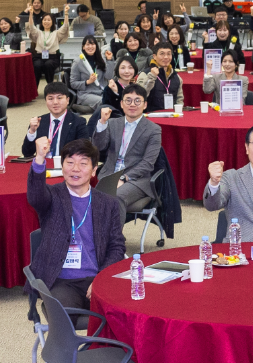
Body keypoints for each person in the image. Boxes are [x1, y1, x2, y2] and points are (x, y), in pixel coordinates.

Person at [27, 138, 125, 327]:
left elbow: (116, 246)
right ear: (62, 167)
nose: (75, 169)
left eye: (83, 164)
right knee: (64, 318)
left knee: (124, 314)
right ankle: (69, 355)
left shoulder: (108, 203)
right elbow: (35, 195)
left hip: (97, 278)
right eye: (70, 163)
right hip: (62, 280)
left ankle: (110, 354)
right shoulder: (52, 196)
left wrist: (101, 279)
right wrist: (40, 158)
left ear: (94, 170)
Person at [89, 85, 163, 211]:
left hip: (137, 180)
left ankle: (113, 231)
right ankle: (96, 231)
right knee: (87, 198)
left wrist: (123, 178)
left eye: (137, 101)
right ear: (122, 104)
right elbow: (98, 147)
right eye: (128, 100)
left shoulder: (153, 130)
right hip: (109, 175)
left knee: (116, 198)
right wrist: (102, 122)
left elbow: (148, 163)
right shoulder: (112, 123)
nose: (132, 104)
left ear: (145, 105)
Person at [24, 84, 92, 162]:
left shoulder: (78, 122)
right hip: (43, 164)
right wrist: (32, 131)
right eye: (50, 98)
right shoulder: (39, 121)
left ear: (67, 100)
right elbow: (27, 153)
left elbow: (84, 151)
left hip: (66, 166)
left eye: (59, 98)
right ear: (46, 101)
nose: (55, 102)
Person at [69, 35, 109, 112]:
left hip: (101, 91)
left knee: (116, 99)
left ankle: (90, 109)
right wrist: (87, 82)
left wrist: (109, 60)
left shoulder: (101, 60)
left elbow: (109, 76)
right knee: (104, 101)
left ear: (96, 46)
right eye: (87, 44)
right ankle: (91, 107)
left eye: (93, 44)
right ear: (83, 47)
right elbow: (73, 84)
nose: (90, 46)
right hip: (85, 94)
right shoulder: (77, 62)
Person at [143, 44, 184, 110]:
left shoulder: (176, 76)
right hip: (151, 116)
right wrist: (151, 77)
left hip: (172, 116)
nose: (166, 57)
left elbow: (179, 99)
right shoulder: (145, 74)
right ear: (154, 56)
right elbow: (140, 95)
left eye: (169, 54)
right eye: (162, 54)